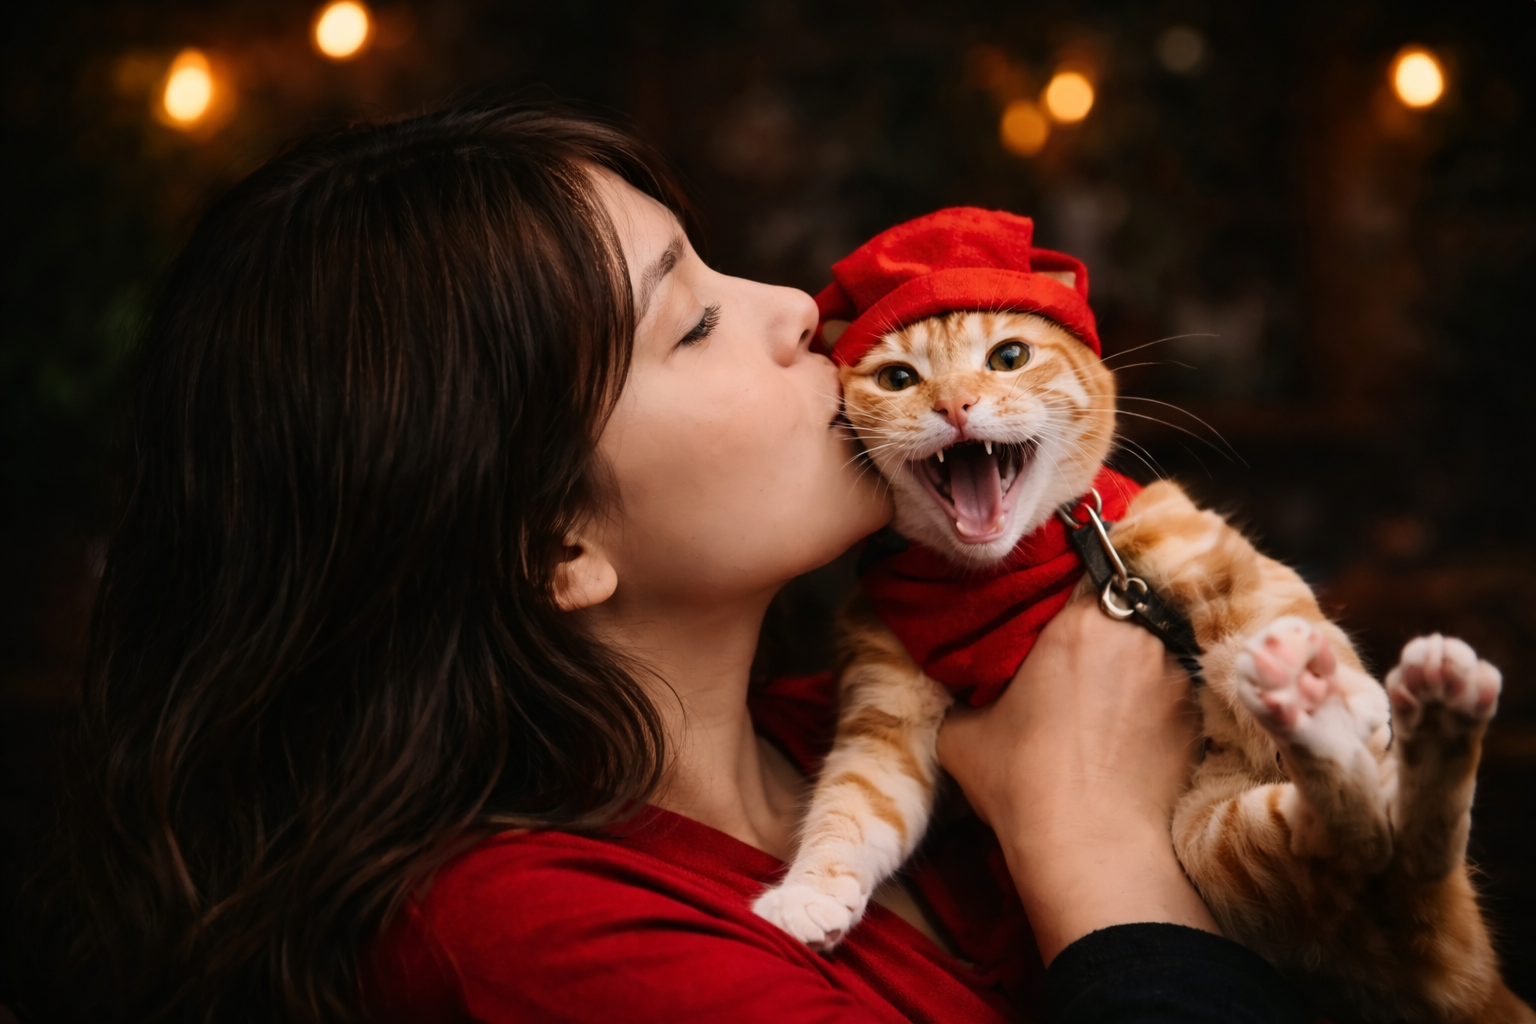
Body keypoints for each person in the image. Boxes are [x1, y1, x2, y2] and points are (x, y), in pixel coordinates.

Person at [17, 103, 1308, 1024]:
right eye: (690, 320)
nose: (797, 308)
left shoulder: (879, 727)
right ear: (553, 544)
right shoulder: (533, 944)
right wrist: (1099, 852)